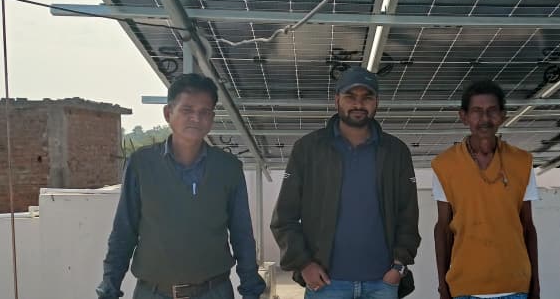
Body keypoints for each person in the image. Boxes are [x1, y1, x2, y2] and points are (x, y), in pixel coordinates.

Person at [96, 73, 265, 299]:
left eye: (204, 112)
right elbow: (124, 231)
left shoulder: (228, 168)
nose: (196, 118)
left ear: (212, 118)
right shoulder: (142, 164)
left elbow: (242, 234)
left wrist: (251, 290)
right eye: (187, 110)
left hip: (213, 291)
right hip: (153, 292)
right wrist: (109, 288)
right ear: (168, 113)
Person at [271, 66, 421, 299]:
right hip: (326, 284)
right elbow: (284, 218)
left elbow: (408, 215)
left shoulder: (396, 152)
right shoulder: (308, 149)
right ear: (337, 100)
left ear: (377, 102)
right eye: (350, 96)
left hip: (382, 283)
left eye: (367, 97)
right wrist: (304, 264)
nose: (358, 104)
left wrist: (399, 266)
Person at [432, 80, 540, 299]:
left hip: (515, 285)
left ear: (503, 116)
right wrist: (443, 286)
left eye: (492, 111)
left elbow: (527, 226)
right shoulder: (444, 165)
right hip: (464, 287)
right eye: (476, 111)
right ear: (464, 116)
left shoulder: (522, 162)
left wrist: (535, 285)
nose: (484, 119)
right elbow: (443, 229)